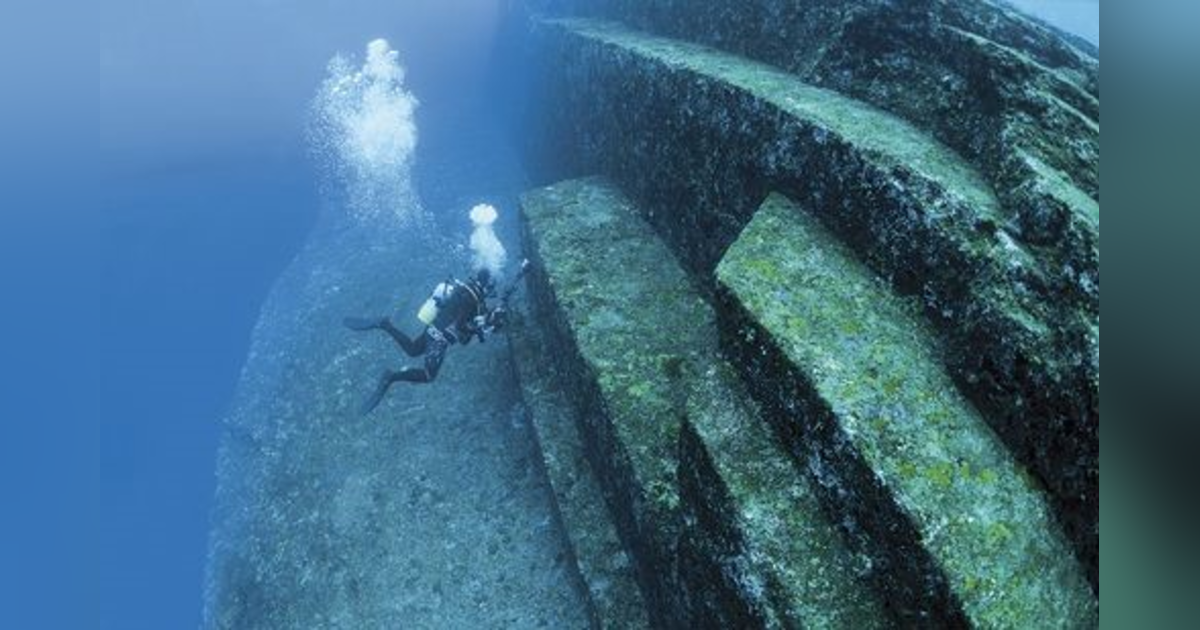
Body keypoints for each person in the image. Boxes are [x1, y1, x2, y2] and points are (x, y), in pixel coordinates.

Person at [345, 268, 508, 415]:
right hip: (440, 339)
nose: (490, 292)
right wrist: (475, 329)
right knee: (429, 375)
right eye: (490, 288)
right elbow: (460, 328)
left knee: (413, 350)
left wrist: (479, 325)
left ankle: (384, 324)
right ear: (486, 286)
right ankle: (391, 377)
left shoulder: (461, 289)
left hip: (432, 329)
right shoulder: (474, 302)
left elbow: (455, 319)